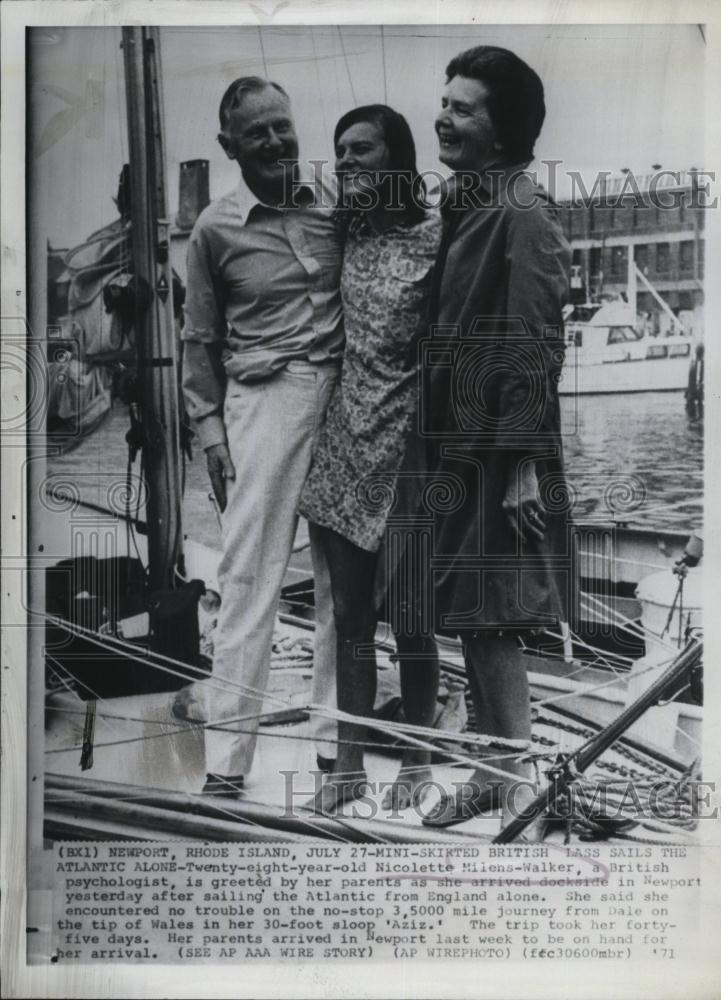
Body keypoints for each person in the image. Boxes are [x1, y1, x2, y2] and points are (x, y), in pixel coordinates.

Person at [414, 46, 572, 829]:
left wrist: (519, 468)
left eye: (462, 108)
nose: (442, 118)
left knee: (495, 615)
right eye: (443, 103)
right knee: (469, 610)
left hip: (501, 448)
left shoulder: (522, 211)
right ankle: (489, 770)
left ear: (502, 130)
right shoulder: (466, 202)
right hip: (457, 441)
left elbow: (536, 344)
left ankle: (517, 783)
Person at [181, 76, 343, 797]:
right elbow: (198, 341)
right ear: (229, 147)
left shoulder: (337, 202)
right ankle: (227, 763)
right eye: (258, 133)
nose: (277, 141)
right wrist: (211, 435)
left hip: (343, 398)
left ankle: (335, 746)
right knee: (249, 580)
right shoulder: (212, 230)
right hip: (264, 400)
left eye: (283, 125)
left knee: (343, 581)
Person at [298, 105, 442, 814]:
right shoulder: (346, 230)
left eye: (362, 149)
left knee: (412, 616)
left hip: (407, 450)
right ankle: (349, 768)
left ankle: (417, 761)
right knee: (350, 617)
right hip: (344, 445)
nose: (347, 161)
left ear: (397, 157)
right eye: (340, 150)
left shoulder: (436, 236)